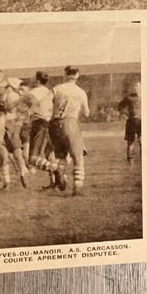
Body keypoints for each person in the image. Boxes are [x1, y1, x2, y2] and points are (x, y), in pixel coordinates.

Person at [49, 66, 90, 196]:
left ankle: (59, 171)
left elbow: (45, 104)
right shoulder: (80, 92)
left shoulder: (56, 89)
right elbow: (87, 113)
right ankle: (77, 189)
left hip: (54, 124)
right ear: (77, 75)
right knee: (78, 157)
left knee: (60, 155)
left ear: (65, 75)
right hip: (70, 122)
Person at [117, 84, 142, 161]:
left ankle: (130, 159)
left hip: (132, 120)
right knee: (141, 139)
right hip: (140, 120)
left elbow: (119, 107)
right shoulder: (141, 97)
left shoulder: (128, 98)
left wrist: (125, 115)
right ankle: (142, 157)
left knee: (130, 141)